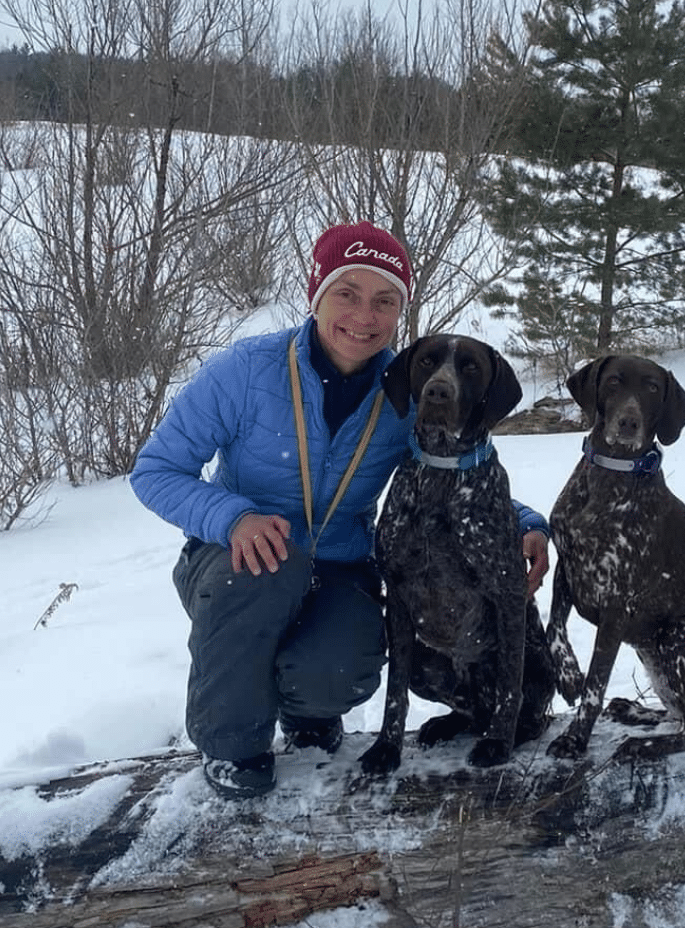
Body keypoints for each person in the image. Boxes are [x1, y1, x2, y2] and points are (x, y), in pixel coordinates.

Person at [130, 222, 550, 799]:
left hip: (338, 565)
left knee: (346, 657)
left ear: (399, 313)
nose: (363, 315)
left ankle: (309, 714)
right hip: (238, 556)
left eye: (384, 301)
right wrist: (232, 518)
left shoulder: (404, 389)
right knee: (263, 573)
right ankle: (232, 747)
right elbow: (154, 472)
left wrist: (525, 523)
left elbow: (454, 471)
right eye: (346, 293)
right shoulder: (245, 372)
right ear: (316, 296)